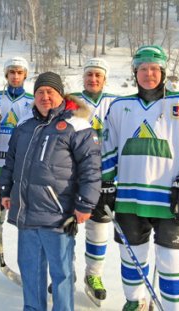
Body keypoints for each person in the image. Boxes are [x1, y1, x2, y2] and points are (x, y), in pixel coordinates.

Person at [100, 45, 179, 311]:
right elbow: (107, 146)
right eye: (143, 69)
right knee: (131, 256)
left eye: (154, 69)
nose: (149, 74)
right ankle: (136, 303)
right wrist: (104, 182)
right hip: (129, 197)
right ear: (135, 72)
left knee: (172, 260)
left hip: (170, 198)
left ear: (162, 72)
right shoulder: (119, 106)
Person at [0, 72, 101, 311]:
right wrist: (6, 190)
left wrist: (85, 204)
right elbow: (10, 162)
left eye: (50, 92)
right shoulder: (25, 126)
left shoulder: (77, 125)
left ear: (60, 95)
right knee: (30, 270)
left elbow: (91, 169)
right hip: (27, 212)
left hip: (59, 215)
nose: (45, 97)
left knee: (62, 273)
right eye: (40, 92)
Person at [0, 56, 33, 283]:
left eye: (19, 72)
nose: (15, 76)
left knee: (25, 217)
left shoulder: (31, 101)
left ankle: (29, 263)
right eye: (11, 72)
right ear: (6, 75)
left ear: (25, 75)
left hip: (20, 169)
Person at [70, 58, 118, 305]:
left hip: (103, 176)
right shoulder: (72, 102)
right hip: (71, 174)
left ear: (105, 79)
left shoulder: (117, 103)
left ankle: (93, 276)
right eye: (89, 75)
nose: (93, 79)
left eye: (98, 76)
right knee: (66, 226)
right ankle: (66, 273)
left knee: (98, 228)